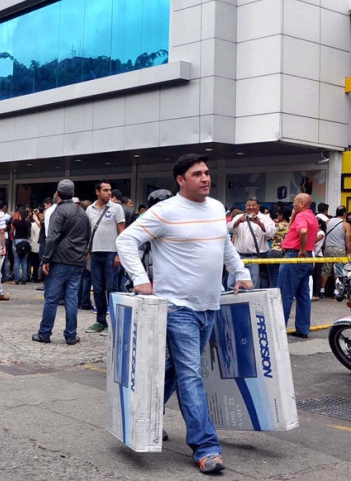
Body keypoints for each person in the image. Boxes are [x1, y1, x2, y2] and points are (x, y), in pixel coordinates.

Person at [116, 154, 251, 474]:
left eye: (206, 173)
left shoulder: (216, 208)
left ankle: (142, 416)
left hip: (210, 305)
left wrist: (241, 272)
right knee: (191, 374)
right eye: (197, 174)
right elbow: (126, 240)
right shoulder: (165, 211)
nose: (205, 178)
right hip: (178, 308)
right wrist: (140, 279)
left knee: (178, 369)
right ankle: (206, 447)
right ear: (180, 180)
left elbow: (224, 245)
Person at [33, 179, 90, 346]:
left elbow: (52, 238)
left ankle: (45, 332)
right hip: (77, 260)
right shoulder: (83, 213)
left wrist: (46, 258)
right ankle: (71, 335)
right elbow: (88, 236)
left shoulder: (58, 211)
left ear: (57, 194)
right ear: (73, 194)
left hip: (59, 259)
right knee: (72, 298)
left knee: (51, 298)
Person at [85, 180, 125, 335]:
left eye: (110, 190)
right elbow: (88, 231)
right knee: (98, 289)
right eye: (105, 190)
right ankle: (100, 321)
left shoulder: (116, 208)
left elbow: (122, 232)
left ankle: (114, 323)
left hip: (111, 253)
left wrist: (119, 254)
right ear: (97, 192)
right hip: (96, 254)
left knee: (112, 288)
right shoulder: (90, 209)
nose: (109, 193)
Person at [278, 193, 319, 339]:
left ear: (302, 203)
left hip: (295, 255)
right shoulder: (312, 217)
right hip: (307, 258)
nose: (293, 204)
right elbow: (293, 230)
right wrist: (293, 215)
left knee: (285, 293)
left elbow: (303, 231)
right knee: (303, 295)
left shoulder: (302, 216)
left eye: (295, 201)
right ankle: (302, 328)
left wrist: (301, 249)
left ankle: (279, 329)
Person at [227, 197, 275, 289]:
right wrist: (238, 221)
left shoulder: (265, 218)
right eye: (249, 205)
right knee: (232, 284)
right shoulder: (239, 217)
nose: (251, 207)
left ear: (258, 206)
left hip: (255, 258)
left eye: (253, 205)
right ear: (245, 206)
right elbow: (228, 228)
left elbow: (271, 233)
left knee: (253, 285)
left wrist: (259, 223)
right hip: (239, 257)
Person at [319, 206, 351, 299]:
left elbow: (325, 236)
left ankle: (322, 291)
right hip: (339, 249)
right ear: (344, 214)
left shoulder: (328, 222)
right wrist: (349, 252)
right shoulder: (346, 225)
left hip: (328, 248)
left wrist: (324, 247)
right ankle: (336, 291)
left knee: (325, 270)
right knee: (338, 271)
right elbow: (348, 240)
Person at [267, 207, 290, 290]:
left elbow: (268, 236)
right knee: (285, 278)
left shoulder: (276, 225)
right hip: (285, 253)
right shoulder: (291, 226)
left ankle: (274, 295)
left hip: (274, 251)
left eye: (278, 215)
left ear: (281, 215)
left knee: (274, 278)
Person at [11, 207, 31, 285]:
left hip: (17, 241)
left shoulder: (15, 222)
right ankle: (24, 279)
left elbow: (11, 231)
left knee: (17, 261)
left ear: (19, 213)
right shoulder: (27, 223)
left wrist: (12, 237)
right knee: (24, 261)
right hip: (25, 241)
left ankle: (16, 279)